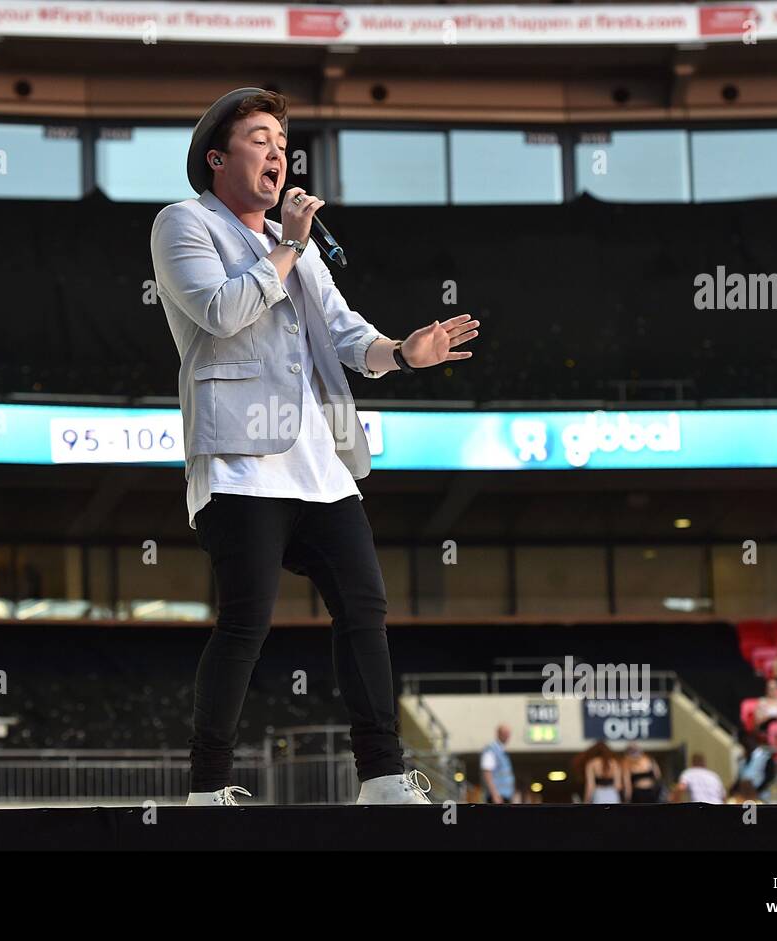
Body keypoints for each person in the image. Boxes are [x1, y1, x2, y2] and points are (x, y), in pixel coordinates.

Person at [150, 87, 480, 806]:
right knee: (244, 622)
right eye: (260, 139)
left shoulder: (291, 247)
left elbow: (344, 332)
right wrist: (290, 245)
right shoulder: (184, 223)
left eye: (280, 141)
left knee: (364, 606)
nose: (277, 153)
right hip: (240, 459)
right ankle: (208, 786)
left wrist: (403, 352)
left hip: (320, 463)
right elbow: (221, 311)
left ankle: (383, 775)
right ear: (217, 158)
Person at [480, 725, 518, 804]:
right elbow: (487, 772)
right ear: (498, 734)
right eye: (505, 733)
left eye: (508, 733)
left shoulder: (502, 751)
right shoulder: (491, 750)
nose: (507, 736)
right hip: (497, 796)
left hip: (505, 795)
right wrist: (494, 794)